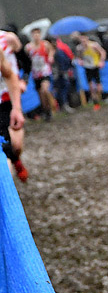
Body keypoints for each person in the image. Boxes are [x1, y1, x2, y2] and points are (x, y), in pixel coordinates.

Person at [0, 34, 26, 179]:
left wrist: (17, 108)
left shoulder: (6, 38)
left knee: (15, 146)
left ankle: (15, 160)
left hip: (5, 99)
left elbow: (10, 74)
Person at [25, 27, 56, 119]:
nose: (36, 36)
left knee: (44, 90)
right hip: (35, 74)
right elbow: (25, 58)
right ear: (31, 36)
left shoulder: (45, 44)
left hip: (45, 71)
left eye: (37, 34)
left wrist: (50, 56)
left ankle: (50, 107)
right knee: (41, 95)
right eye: (34, 34)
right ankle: (46, 110)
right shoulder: (28, 47)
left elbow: (52, 50)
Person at [75, 33, 106, 109]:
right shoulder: (79, 48)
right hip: (87, 67)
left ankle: (99, 99)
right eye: (81, 40)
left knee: (99, 87)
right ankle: (96, 103)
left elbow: (102, 52)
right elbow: (78, 57)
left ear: (87, 38)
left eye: (84, 39)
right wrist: (80, 61)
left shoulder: (94, 45)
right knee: (91, 86)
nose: (83, 41)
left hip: (95, 66)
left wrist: (101, 61)